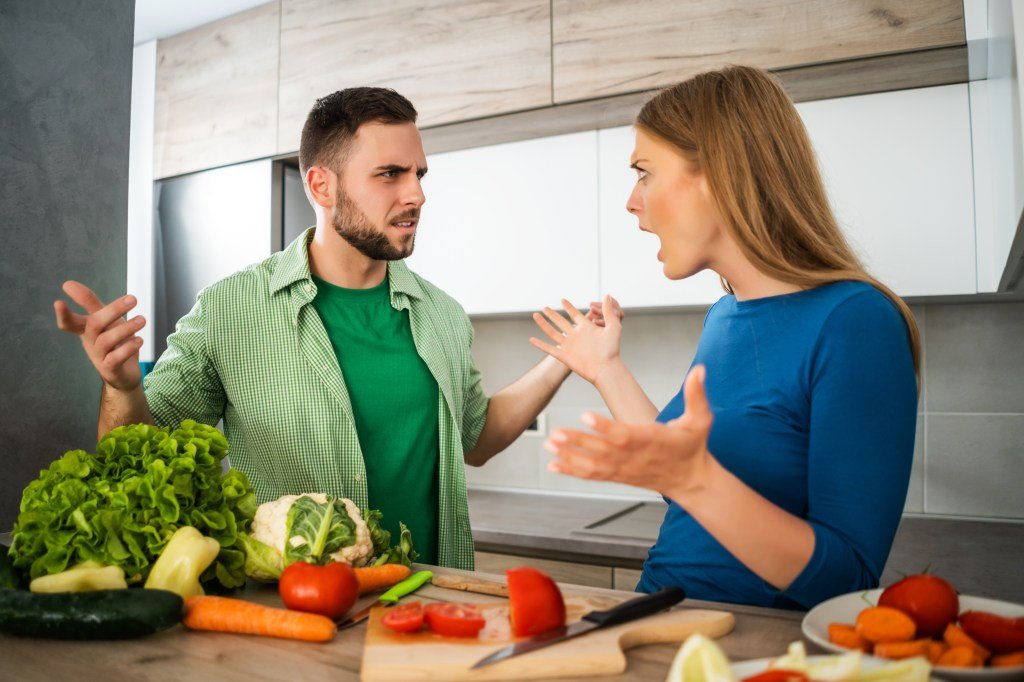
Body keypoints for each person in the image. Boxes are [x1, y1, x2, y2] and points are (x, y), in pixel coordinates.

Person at [54, 87, 580, 569]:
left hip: (426, 601)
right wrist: (122, 387)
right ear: (321, 186)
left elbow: (476, 439)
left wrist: (563, 358)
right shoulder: (231, 310)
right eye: (390, 174)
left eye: (419, 175)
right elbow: (139, 455)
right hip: (294, 608)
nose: (416, 195)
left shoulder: (441, 314)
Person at [531, 65, 919, 609]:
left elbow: (847, 580)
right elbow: (680, 474)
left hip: (759, 644)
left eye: (644, 172)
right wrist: (605, 369)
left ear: (718, 173)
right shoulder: (726, 316)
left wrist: (695, 479)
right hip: (660, 611)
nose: (630, 201)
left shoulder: (856, 322)